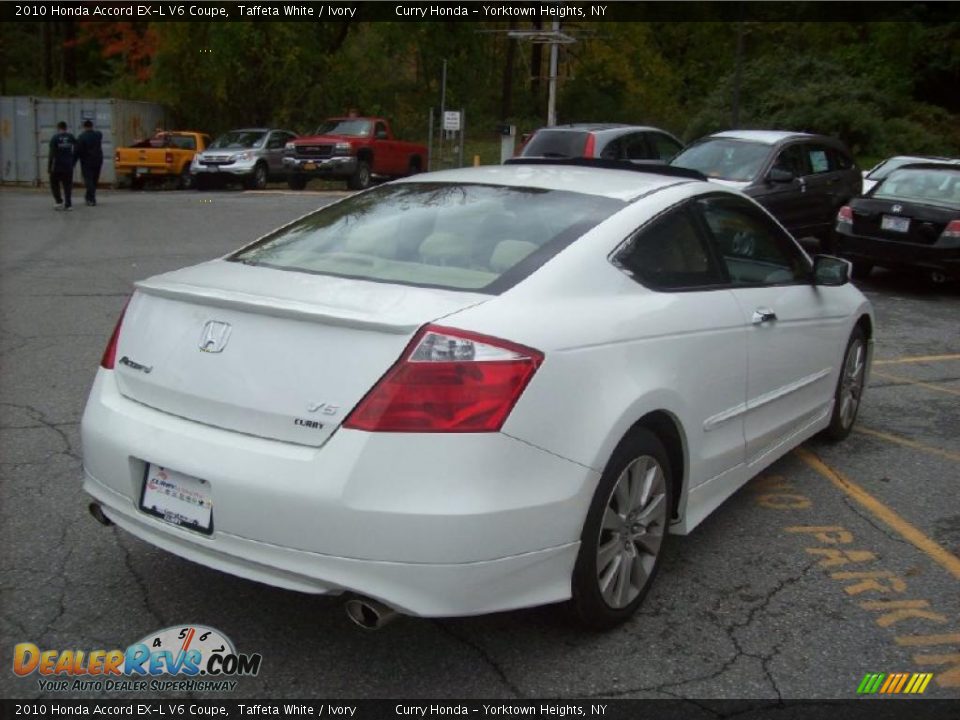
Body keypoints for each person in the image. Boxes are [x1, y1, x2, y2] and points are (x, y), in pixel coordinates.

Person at [48, 121, 77, 211]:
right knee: (67, 185)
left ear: (58, 128)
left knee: (54, 184)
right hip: (68, 166)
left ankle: (59, 201)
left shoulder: (55, 138)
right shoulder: (71, 137)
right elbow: (77, 148)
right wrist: (73, 161)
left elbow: (51, 154)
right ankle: (68, 205)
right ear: (66, 128)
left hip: (57, 166)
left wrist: (49, 167)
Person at [75, 119, 104, 206]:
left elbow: (77, 151)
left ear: (84, 127)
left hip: (87, 161)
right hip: (98, 160)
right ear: (92, 126)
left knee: (89, 180)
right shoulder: (98, 135)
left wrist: (73, 162)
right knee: (94, 180)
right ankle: (88, 196)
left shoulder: (81, 137)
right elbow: (99, 133)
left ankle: (91, 199)